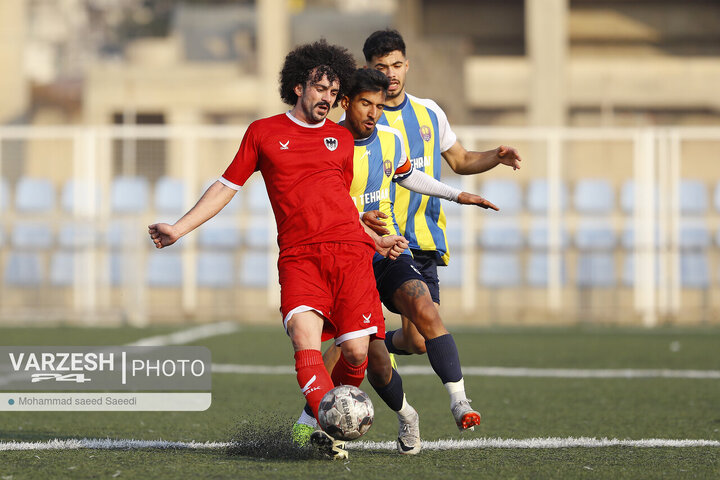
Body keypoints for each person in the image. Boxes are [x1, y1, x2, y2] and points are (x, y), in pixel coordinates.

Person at [148, 40, 409, 460]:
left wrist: (373, 237)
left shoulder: (342, 141)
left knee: (357, 354)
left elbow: (340, 200)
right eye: (320, 88)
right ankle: (329, 429)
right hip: (300, 257)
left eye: (332, 91)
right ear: (298, 86)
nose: (327, 98)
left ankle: (317, 424)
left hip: (349, 254)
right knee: (304, 339)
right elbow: (226, 186)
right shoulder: (263, 133)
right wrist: (179, 228)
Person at [293, 67, 501, 447]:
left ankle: (460, 402)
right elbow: (317, 204)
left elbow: (408, 175)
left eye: (379, 105)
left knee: (425, 308)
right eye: (364, 104)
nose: (373, 113)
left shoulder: (389, 139)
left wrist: (457, 194)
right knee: (370, 358)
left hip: (387, 249)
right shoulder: (328, 143)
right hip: (345, 257)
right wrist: (357, 219)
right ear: (344, 103)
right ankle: (407, 415)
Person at [360, 29, 523, 431]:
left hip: (423, 239)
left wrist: (494, 157)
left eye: (397, 65)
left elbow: (461, 159)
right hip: (375, 241)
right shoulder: (362, 118)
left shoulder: (429, 113)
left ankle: (376, 338)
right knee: (370, 331)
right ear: (369, 70)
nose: (391, 74)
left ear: (407, 64)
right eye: (382, 68)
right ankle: (316, 403)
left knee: (417, 341)